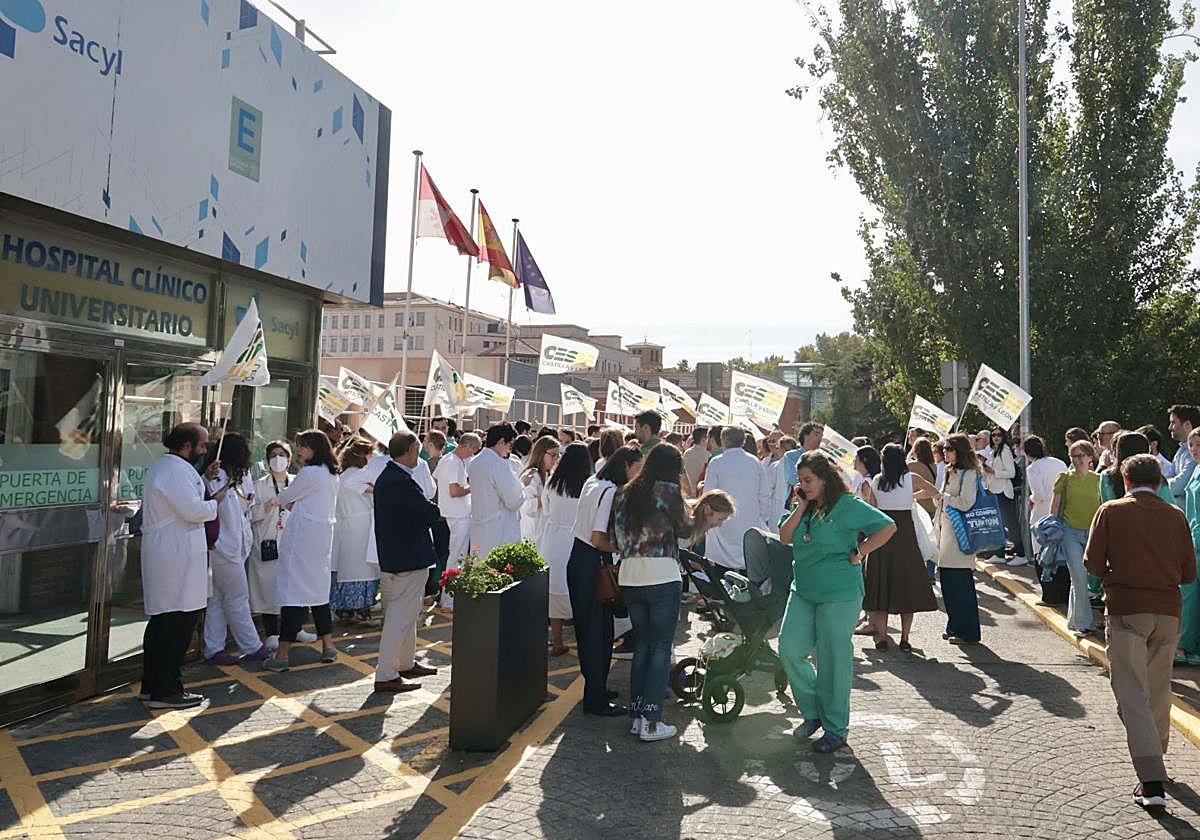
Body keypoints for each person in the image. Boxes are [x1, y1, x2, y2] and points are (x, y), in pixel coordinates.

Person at [1085, 454, 1196, 809]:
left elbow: (1092, 562)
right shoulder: (1175, 515)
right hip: (1168, 610)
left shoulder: (1111, 511)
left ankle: (1151, 781)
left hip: (1127, 608)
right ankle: (1157, 758)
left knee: (1131, 692)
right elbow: (1188, 572)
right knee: (1159, 688)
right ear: (1160, 482)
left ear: (1126, 480)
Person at [778, 451, 897, 753]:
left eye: (809, 480)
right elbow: (784, 537)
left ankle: (835, 728)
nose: (803, 485)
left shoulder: (847, 505)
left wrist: (861, 551)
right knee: (790, 649)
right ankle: (813, 713)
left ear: (825, 478)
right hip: (804, 589)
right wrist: (801, 505)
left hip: (839, 593)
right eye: (801, 480)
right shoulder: (802, 504)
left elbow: (887, 526)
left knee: (832, 660)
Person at [611, 445, 722, 742]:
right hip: (662, 574)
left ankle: (637, 717)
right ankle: (652, 722)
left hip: (629, 575)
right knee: (660, 648)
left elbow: (615, 537)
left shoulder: (623, 493)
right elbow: (686, 531)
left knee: (643, 647)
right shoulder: (668, 491)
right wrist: (702, 515)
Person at [138, 423, 219, 708]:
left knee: (166, 621)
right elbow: (193, 509)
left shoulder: (175, 468)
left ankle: (153, 686)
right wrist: (215, 502)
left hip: (176, 551)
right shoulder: (173, 470)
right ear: (186, 445)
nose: (205, 450)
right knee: (176, 623)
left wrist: (204, 480)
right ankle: (166, 690)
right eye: (202, 445)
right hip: (174, 553)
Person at [568, 446, 644, 716]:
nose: (639, 475)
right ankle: (595, 700)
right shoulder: (610, 491)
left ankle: (596, 688)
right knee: (598, 634)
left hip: (578, 560)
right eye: (637, 468)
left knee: (589, 632)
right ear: (626, 466)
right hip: (594, 564)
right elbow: (598, 539)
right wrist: (626, 548)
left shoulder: (593, 481)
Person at [263, 430, 340, 672]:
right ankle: (328, 646)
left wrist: (289, 501)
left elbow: (286, 496)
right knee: (318, 595)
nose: (298, 450)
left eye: (303, 446)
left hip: (302, 542)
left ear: (315, 448)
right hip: (321, 541)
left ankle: (282, 655)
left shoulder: (309, 473)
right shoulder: (331, 474)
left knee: (293, 596)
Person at [372, 432, 442, 693]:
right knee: (400, 617)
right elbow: (428, 513)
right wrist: (431, 507)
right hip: (406, 558)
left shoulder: (393, 476)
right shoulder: (399, 480)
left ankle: (405, 663)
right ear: (411, 449)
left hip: (402, 556)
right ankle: (386, 674)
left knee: (408, 614)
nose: (419, 454)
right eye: (417, 449)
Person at [859, 444, 939, 651]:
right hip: (905, 536)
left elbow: (872, 508)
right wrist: (912, 496)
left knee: (881, 587)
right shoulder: (911, 478)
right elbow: (934, 492)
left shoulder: (877, 480)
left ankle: (882, 638)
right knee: (906, 587)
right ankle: (905, 638)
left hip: (882, 534)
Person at [200, 433, 269, 664]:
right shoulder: (215, 475)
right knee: (238, 597)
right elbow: (210, 503)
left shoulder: (243, 476)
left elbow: (248, 505)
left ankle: (214, 648)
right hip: (222, 546)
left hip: (238, 545)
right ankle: (252, 646)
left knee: (218, 599)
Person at [250, 441, 318, 650]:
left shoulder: (298, 482)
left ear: (289, 460)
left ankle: (295, 629)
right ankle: (271, 632)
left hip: (294, 542)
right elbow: (250, 514)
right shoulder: (259, 485)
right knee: (268, 588)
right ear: (267, 460)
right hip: (268, 542)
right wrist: (267, 505)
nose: (277, 459)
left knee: (295, 587)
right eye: (273, 455)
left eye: (282, 454)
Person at [541, 442, 592, 656]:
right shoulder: (588, 485)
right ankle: (584, 642)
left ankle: (557, 640)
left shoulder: (553, 482)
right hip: (577, 540)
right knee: (580, 592)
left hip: (553, 540)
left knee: (555, 590)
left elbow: (546, 509)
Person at [934, 433, 985, 645]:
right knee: (948, 583)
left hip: (960, 535)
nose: (945, 453)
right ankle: (954, 625)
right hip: (945, 532)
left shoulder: (970, 473)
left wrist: (944, 497)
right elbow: (942, 500)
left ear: (960, 451)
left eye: (949, 449)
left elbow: (966, 503)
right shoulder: (948, 471)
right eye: (944, 449)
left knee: (961, 585)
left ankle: (968, 632)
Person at [1051, 440, 1103, 640]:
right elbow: (1055, 507)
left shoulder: (1099, 480)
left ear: (1090, 457)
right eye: (1074, 455)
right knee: (1079, 575)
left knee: (1082, 578)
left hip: (1093, 532)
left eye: (1082, 455)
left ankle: (1074, 619)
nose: (1078, 459)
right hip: (1069, 531)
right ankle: (1085, 624)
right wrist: (1053, 531)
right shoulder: (1064, 478)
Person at [701, 426, 770, 571]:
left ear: (723, 440)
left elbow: (708, 494)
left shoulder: (717, 462)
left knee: (719, 567)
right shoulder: (754, 462)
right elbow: (764, 494)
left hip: (722, 521)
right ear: (743, 441)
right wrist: (761, 516)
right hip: (749, 520)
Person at [330, 438, 381, 625]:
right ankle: (362, 612)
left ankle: (345, 610)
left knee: (351, 569)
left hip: (351, 527)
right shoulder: (355, 475)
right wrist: (373, 489)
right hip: (359, 527)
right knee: (362, 570)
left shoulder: (345, 475)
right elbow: (359, 487)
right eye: (369, 454)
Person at [433, 431, 480, 603]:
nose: (473, 454)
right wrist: (472, 487)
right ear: (467, 446)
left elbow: (435, 480)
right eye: (474, 449)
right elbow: (454, 491)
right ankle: (449, 599)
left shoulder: (447, 459)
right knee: (457, 556)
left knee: (457, 555)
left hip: (453, 512)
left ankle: (450, 597)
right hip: (459, 513)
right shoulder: (454, 462)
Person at [469, 423, 526, 559]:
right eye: (510, 445)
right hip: (499, 528)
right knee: (499, 567)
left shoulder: (474, 462)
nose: (510, 450)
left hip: (479, 525)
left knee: (479, 565)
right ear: (501, 441)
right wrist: (523, 484)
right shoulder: (498, 464)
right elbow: (514, 501)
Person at [982, 427, 1026, 566]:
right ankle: (999, 553)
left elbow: (1011, 473)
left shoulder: (1005, 451)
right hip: (994, 491)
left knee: (1010, 525)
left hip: (1003, 492)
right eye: (993, 435)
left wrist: (993, 471)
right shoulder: (993, 451)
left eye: (999, 435)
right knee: (997, 525)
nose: (996, 437)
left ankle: (1021, 554)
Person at [1022, 436, 1067, 555]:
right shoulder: (1059, 463)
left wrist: (1031, 499)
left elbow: (1039, 495)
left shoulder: (1033, 468)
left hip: (1042, 513)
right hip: (1061, 510)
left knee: (1040, 550)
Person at [774, 422, 824, 521]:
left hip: (816, 508)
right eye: (816, 434)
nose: (820, 439)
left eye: (822, 436)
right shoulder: (791, 456)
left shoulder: (823, 459)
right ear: (805, 436)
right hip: (795, 506)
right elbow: (793, 479)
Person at [1180, 428, 1200, 666]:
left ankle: (1186, 646)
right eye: (1191, 445)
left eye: (1198, 445)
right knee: (1188, 594)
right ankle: (1185, 645)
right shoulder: (1196, 470)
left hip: (1197, 541)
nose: (1194, 449)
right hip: (1192, 540)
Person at [520, 435, 561, 542]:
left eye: (558, 456)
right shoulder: (531, 475)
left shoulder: (549, 474)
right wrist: (549, 498)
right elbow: (527, 505)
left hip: (544, 532)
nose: (555, 459)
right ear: (541, 453)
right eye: (553, 455)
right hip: (532, 532)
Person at [1169, 405, 1200, 506]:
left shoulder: (1195, 455)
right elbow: (1167, 477)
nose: (1170, 427)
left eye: (1173, 422)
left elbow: (1178, 487)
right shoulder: (1181, 451)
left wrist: (1161, 483)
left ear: (1187, 425)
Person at [907, 437, 938, 516]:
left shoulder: (912, 465)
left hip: (920, 509)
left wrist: (911, 496)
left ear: (915, 450)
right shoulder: (935, 466)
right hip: (933, 507)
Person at [682, 427, 710, 492]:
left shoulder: (686, 453)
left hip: (688, 490)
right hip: (700, 490)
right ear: (703, 440)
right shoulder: (708, 454)